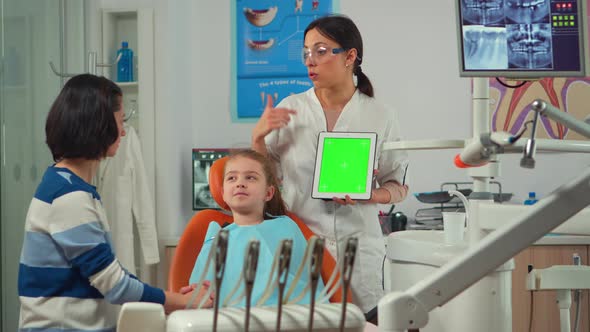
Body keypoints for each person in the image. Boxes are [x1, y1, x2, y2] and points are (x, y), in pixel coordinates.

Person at [17, 74, 212, 332]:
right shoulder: (69, 196)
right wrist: (183, 302)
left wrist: (180, 299)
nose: (122, 131)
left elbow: (109, 273)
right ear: (96, 125)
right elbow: (116, 285)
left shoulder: (70, 186)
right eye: (120, 122)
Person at [251, 14, 409, 321]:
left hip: (359, 256)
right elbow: (264, 181)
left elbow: (398, 185)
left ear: (350, 57)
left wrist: (370, 196)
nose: (310, 61)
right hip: (301, 250)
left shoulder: (381, 115)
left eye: (321, 51)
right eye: (307, 52)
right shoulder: (291, 109)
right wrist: (257, 138)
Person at [188, 149, 324, 307]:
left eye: (250, 177)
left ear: (268, 193)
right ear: (224, 193)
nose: (240, 183)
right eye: (232, 178)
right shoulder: (215, 238)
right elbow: (199, 293)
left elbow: (304, 285)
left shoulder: (286, 228)